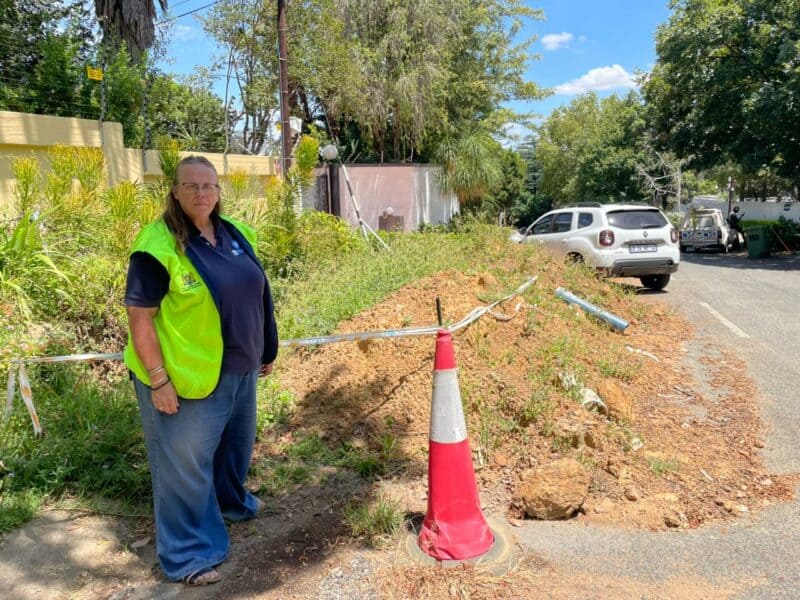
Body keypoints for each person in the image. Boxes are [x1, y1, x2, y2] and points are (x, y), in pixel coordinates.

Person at [123, 155, 278, 586]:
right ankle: (188, 554)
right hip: (183, 376)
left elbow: (256, 293)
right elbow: (140, 318)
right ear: (174, 191)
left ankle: (230, 503)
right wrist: (159, 380)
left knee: (233, 449)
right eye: (191, 186)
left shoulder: (234, 233)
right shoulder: (157, 246)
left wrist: (265, 348)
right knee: (183, 466)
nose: (201, 194)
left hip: (238, 368)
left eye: (208, 186)